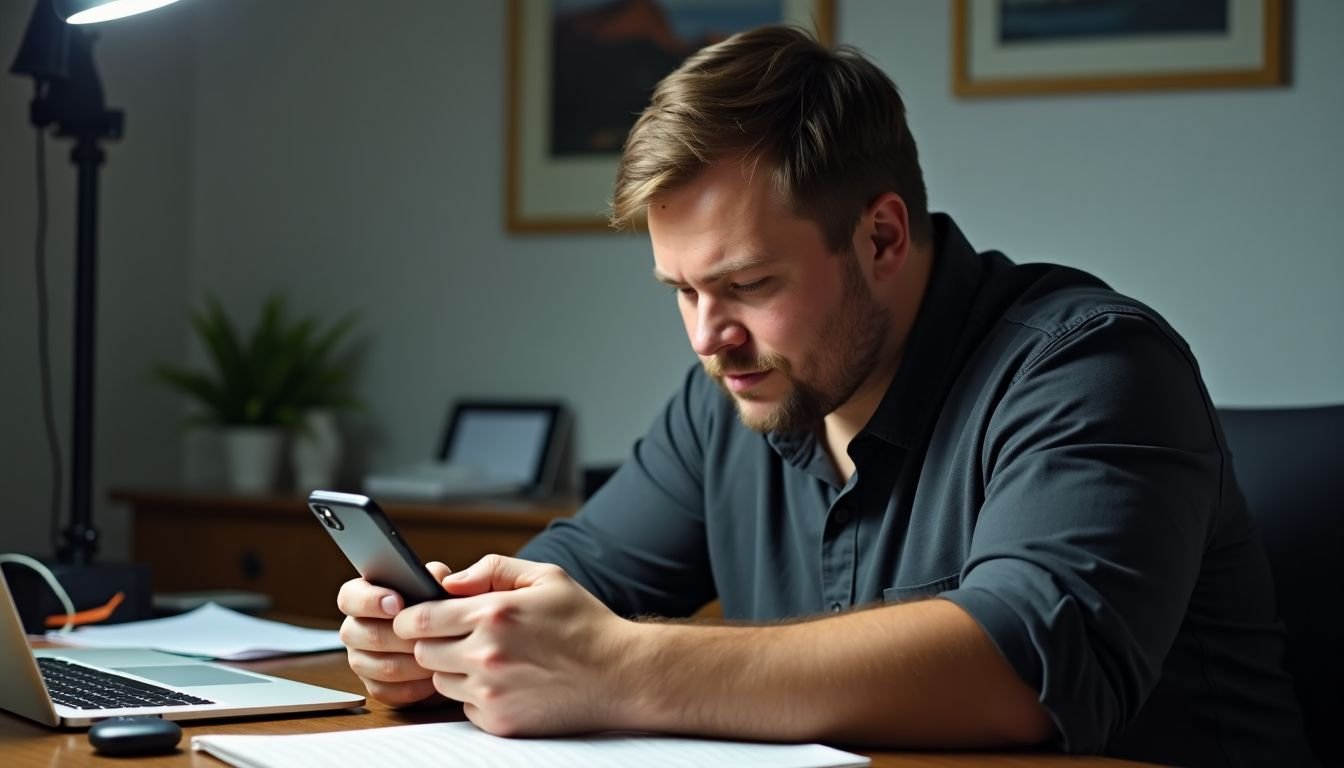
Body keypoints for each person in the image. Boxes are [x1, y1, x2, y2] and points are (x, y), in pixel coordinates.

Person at [337, 26, 1313, 767]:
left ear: (883, 237)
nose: (707, 337)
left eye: (749, 285)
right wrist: (446, 639)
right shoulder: (732, 393)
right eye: (682, 289)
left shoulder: (1093, 369)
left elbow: (1026, 661)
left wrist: (621, 667)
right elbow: (579, 578)